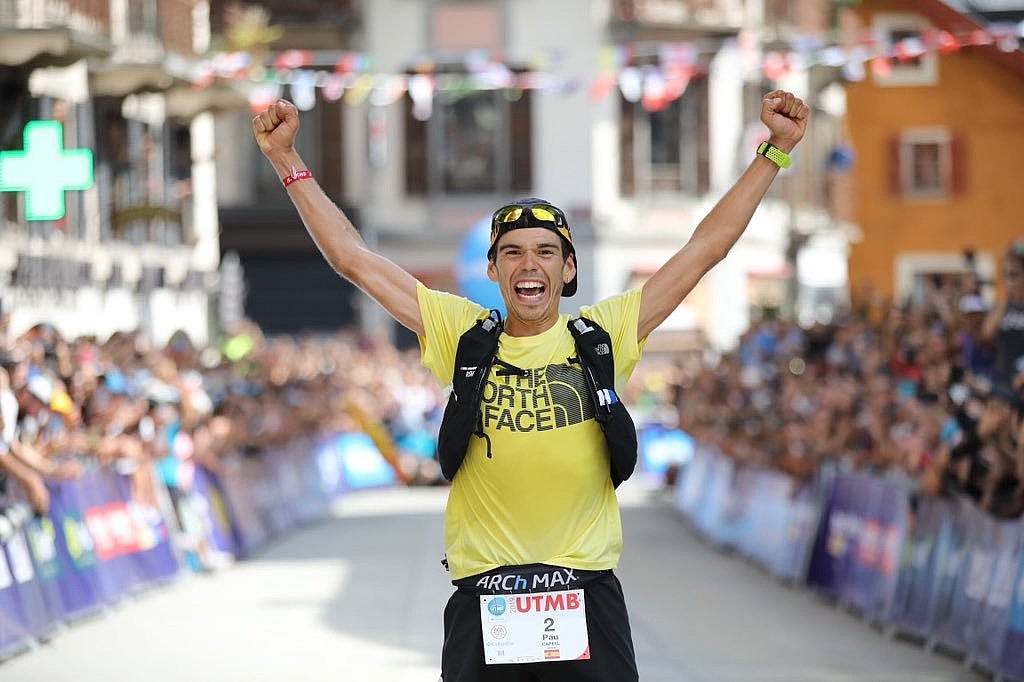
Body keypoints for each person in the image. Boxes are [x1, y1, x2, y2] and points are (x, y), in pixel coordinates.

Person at [252, 88, 808, 681]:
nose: (529, 264)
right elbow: (351, 258)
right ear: (493, 270)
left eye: (546, 252)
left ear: (568, 269)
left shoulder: (603, 335)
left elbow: (705, 249)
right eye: (512, 253)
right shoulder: (463, 334)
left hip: (584, 592)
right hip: (486, 596)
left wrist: (774, 150)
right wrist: (286, 158)